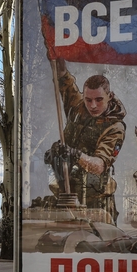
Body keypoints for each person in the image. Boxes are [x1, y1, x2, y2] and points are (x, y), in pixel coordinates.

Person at [44, 58, 127, 224]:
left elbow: (99, 165)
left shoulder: (115, 127)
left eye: (99, 100)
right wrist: (58, 62)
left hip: (96, 202)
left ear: (109, 96)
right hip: (67, 197)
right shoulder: (78, 106)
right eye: (88, 100)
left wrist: (76, 155)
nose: (93, 105)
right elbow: (66, 84)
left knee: (99, 247)